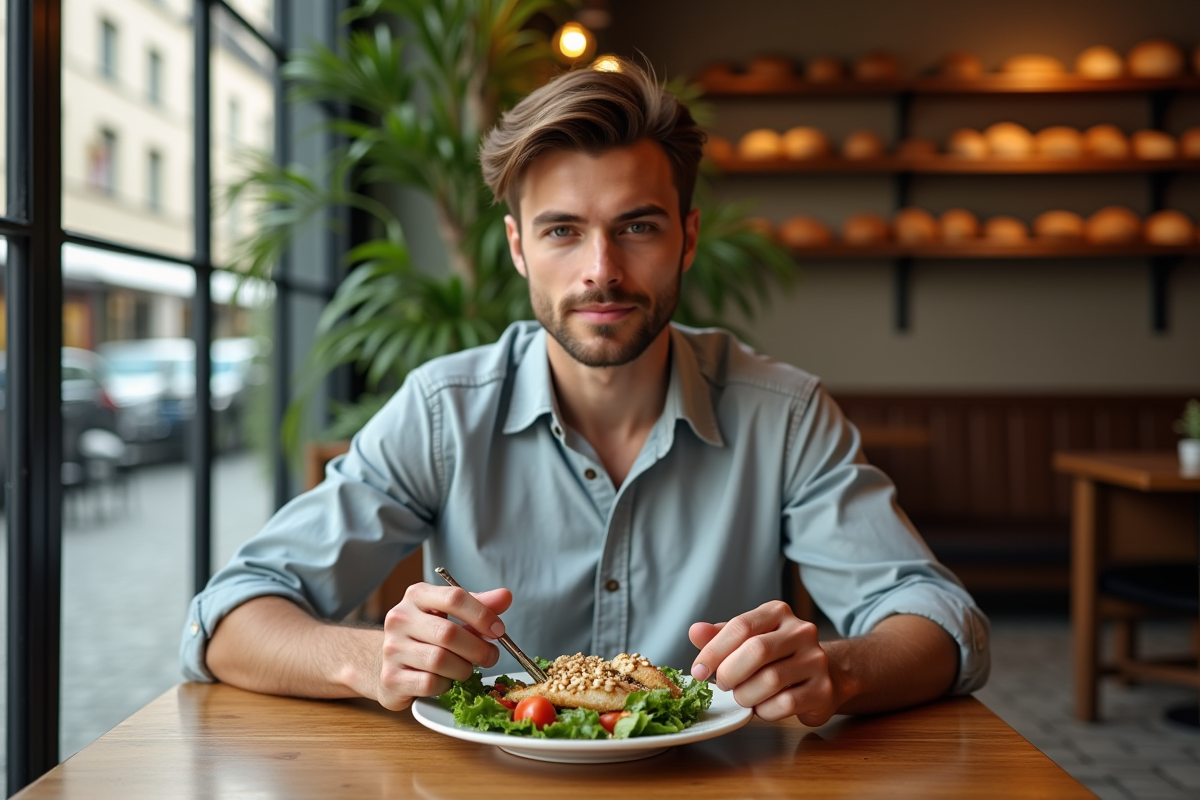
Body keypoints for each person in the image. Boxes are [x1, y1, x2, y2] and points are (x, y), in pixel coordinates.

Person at [182, 57, 989, 728]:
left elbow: (940, 620)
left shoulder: (785, 414)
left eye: (637, 226)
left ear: (687, 239)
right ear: (518, 247)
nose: (601, 269)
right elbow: (228, 618)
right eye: (562, 230)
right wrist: (369, 659)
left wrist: (837, 672)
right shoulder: (442, 410)